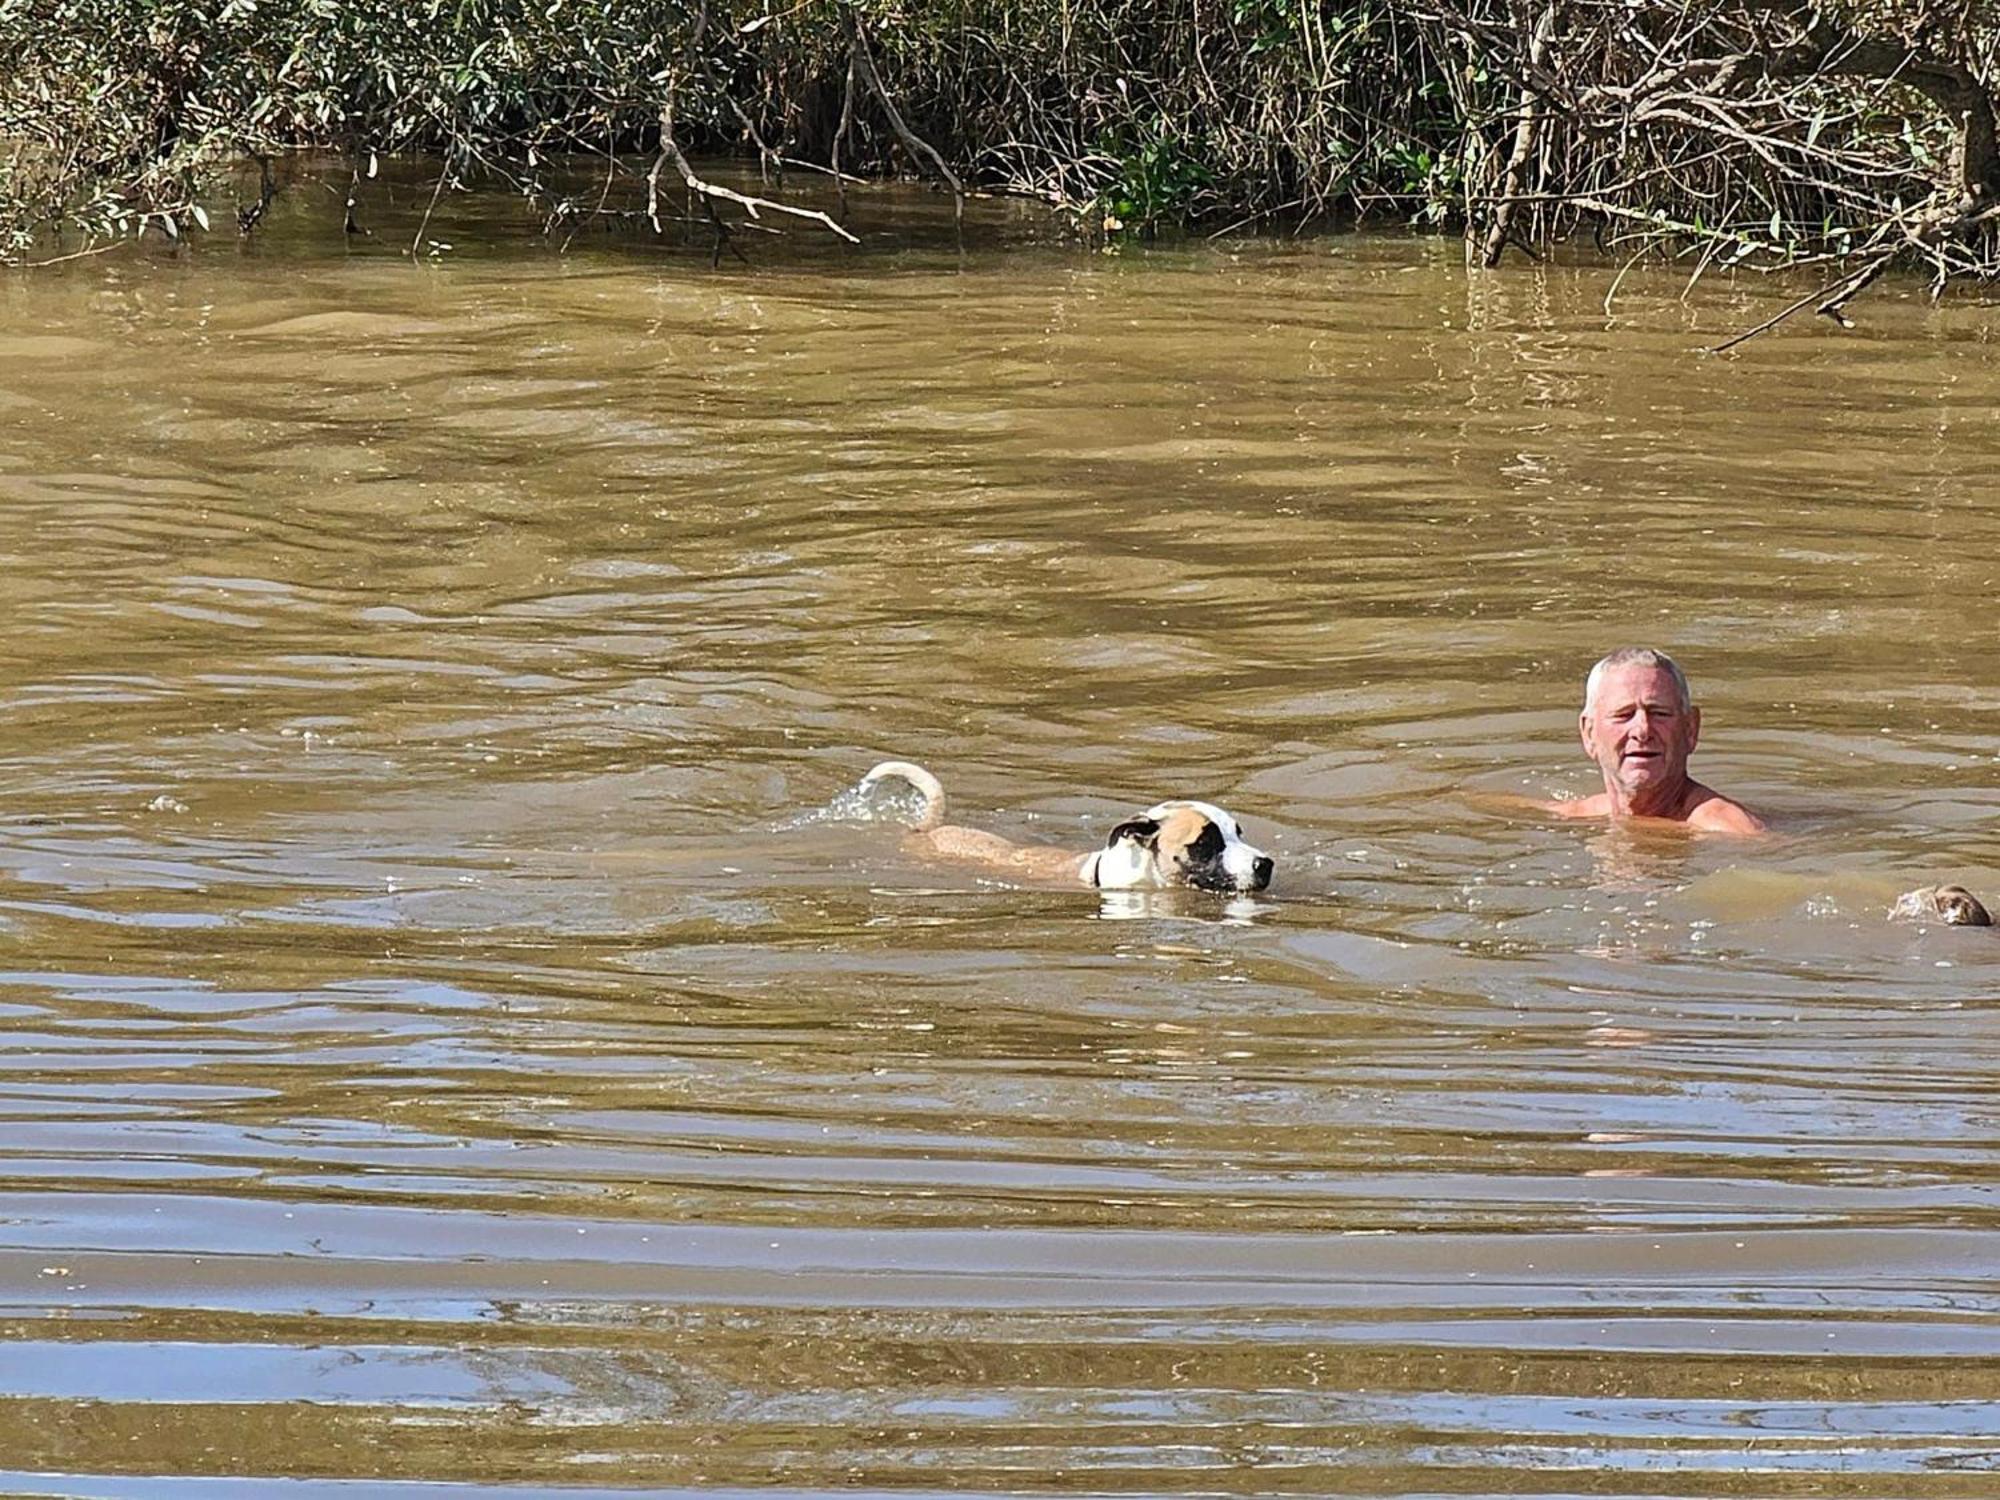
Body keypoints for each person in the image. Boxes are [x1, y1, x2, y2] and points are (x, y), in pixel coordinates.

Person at [1550, 647, 1767, 834]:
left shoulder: (1729, 831)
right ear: (1589, 734)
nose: (1642, 730)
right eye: (1624, 714)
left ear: (1690, 729)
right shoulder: (1577, 814)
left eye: (1659, 713)